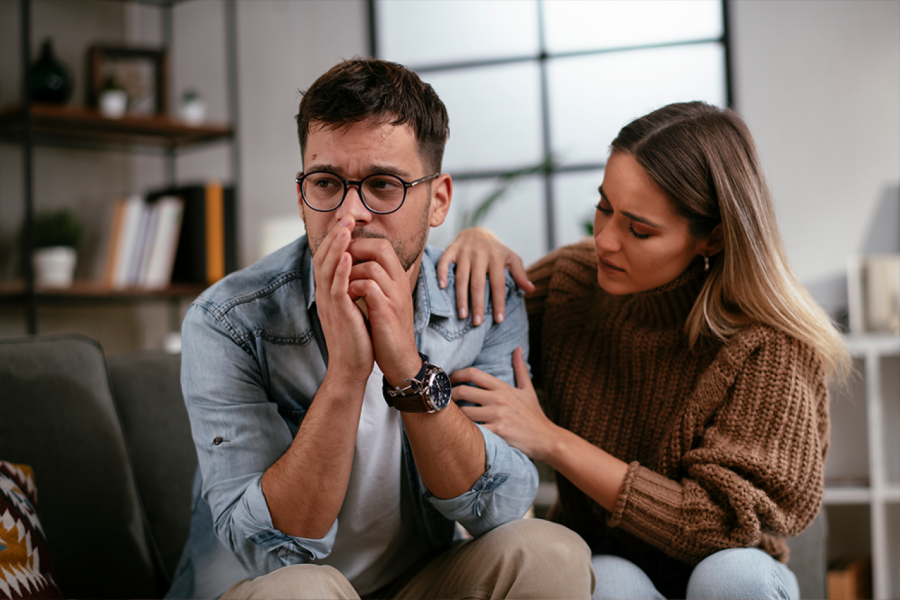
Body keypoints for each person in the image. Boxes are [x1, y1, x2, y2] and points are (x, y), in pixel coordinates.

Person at [167, 58, 594, 600]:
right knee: (303, 591)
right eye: (326, 183)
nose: (351, 216)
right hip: (268, 588)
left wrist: (407, 369)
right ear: (302, 194)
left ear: (437, 199)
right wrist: (347, 374)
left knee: (552, 555)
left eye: (383, 185)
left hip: (417, 581)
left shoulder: (479, 300)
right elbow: (271, 552)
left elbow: (500, 510)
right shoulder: (227, 320)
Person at [439, 101, 849, 600]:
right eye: (603, 207)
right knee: (609, 581)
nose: (605, 241)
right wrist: (476, 242)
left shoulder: (771, 345)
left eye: (638, 229)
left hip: (727, 567)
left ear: (712, 237)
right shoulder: (573, 283)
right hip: (609, 563)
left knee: (732, 578)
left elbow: (721, 526)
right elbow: (465, 335)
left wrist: (552, 440)